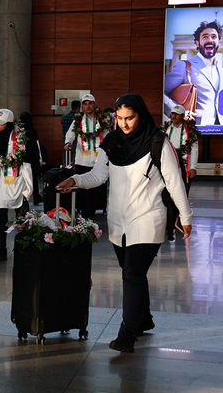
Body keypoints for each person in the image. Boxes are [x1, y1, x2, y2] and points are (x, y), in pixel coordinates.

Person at [58, 93, 192, 353]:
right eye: (119, 118)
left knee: (132, 273)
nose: (124, 123)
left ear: (141, 114)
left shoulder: (159, 142)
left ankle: (127, 334)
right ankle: (143, 318)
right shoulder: (111, 141)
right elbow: (98, 175)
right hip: (119, 221)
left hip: (148, 218)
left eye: (129, 118)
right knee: (133, 273)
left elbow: (175, 182)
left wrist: (185, 217)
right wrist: (75, 180)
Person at [0, 109, 33, 260]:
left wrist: (28, 190)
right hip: (1, 185)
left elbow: (27, 164)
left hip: (18, 183)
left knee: (22, 220)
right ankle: (0, 249)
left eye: (1, 124)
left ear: (8, 124)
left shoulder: (20, 139)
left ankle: (25, 249)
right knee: (0, 218)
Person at [164, 20, 223, 125]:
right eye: (205, 37)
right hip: (195, 129)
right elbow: (160, 91)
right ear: (197, 42)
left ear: (218, 41)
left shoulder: (220, 70)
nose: (210, 40)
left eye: (214, 37)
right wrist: (177, 112)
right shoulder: (184, 66)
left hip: (219, 130)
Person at [64, 93, 110, 218]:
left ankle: (92, 215)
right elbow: (70, 135)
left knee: (95, 191)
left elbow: (107, 136)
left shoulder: (102, 120)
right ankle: (83, 215)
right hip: (82, 161)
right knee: (82, 190)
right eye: (85, 104)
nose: (88, 106)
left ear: (94, 105)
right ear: (82, 106)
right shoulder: (78, 120)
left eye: (90, 104)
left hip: (97, 161)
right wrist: (68, 143)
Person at [163, 105, 199, 241]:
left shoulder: (190, 131)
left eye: (177, 114)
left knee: (181, 196)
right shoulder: (166, 129)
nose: (174, 116)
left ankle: (178, 222)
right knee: (167, 197)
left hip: (184, 168)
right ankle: (169, 226)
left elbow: (194, 150)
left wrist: (193, 167)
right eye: (172, 114)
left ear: (183, 116)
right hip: (169, 168)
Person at [19, 111, 44, 205]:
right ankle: (36, 198)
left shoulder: (19, 130)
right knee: (33, 178)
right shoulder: (32, 129)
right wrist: (40, 159)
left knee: (22, 179)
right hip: (32, 158)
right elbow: (36, 145)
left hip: (22, 158)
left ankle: (23, 199)